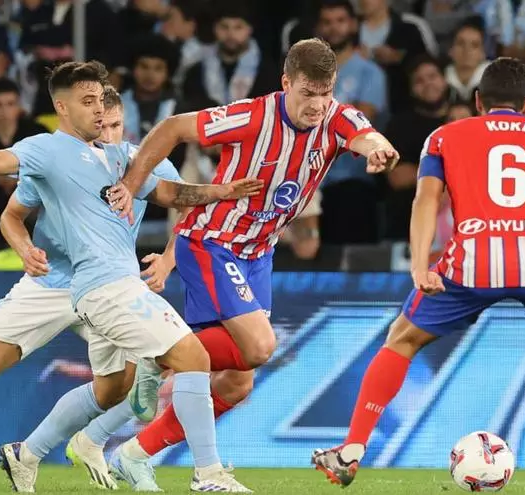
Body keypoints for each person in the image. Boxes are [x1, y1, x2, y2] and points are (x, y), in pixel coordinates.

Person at [0, 61, 261, 492]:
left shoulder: (129, 159)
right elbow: (4, 176)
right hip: (53, 284)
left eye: (107, 110)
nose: (102, 118)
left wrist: (216, 198)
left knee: (114, 391)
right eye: (90, 104)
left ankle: (33, 452)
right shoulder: (46, 152)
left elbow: (176, 198)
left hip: (107, 284)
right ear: (62, 107)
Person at [311, 57, 525, 489]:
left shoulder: (444, 137)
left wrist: (420, 266)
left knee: (402, 339)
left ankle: (351, 451)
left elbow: (425, 201)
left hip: (473, 259)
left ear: (478, 101)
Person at [104, 37, 399, 491]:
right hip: (213, 242)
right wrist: (130, 183)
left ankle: (134, 453)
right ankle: (159, 356)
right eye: (308, 93)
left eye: (325, 93)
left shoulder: (336, 117)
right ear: (286, 83)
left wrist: (378, 148)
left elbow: (365, 134)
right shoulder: (252, 116)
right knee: (260, 346)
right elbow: (173, 128)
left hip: (258, 253)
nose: (317, 105)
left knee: (238, 384)